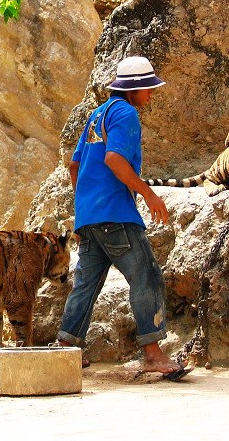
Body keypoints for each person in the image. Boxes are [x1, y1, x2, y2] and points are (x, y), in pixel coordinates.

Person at [57, 55, 187, 380]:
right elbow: (115, 158)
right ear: (136, 88)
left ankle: (67, 346)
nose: (151, 95)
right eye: (149, 89)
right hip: (116, 214)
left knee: (85, 285)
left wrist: (86, 202)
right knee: (146, 277)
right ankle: (153, 354)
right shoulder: (126, 113)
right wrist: (148, 193)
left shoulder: (96, 115)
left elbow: (74, 165)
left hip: (89, 218)